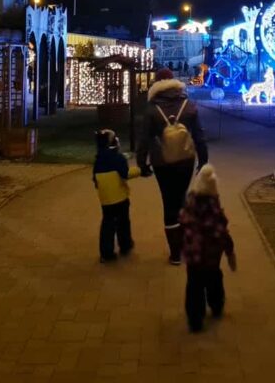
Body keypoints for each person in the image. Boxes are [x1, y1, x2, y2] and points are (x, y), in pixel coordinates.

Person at [137, 68, 208, 265]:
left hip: (162, 162)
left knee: (169, 201)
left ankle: (175, 253)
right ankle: (185, 243)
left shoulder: (152, 109)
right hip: (186, 159)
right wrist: (203, 160)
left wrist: (142, 163)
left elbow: (144, 139)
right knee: (181, 197)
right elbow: (199, 136)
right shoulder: (188, 105)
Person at [179, 164, 236, 332]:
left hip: (193, 254)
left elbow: (182, 226)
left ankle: (195, 319)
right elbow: (221, 231)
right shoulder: (213, 209)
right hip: (211, 255)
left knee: (194, 285)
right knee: (214, 279)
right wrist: (230, 251)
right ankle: (216, 305)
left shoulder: (189, 205)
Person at [92, 129, 137, 263]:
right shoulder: (117, 158)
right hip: (120, 196)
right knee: (123, 221)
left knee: (108, 222)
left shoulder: (98, 159)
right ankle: (125, 244)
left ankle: (106, 253)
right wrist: (139, 170)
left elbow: (95, 179)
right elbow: (125, 174)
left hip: (105, 198)